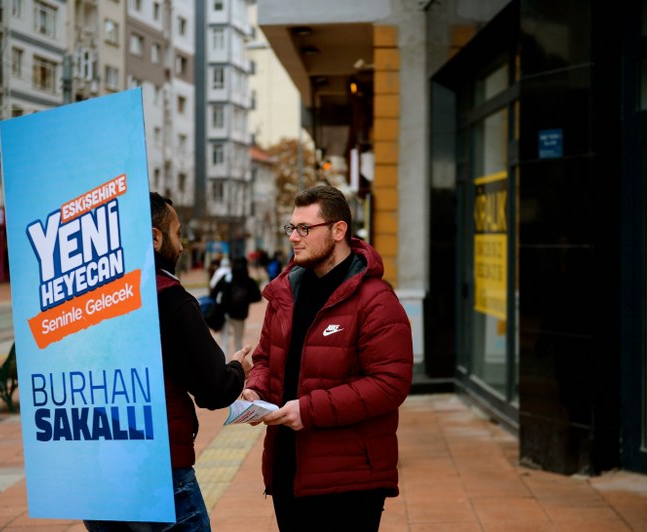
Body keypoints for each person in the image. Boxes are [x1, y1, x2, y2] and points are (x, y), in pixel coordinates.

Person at [242, 185, 413, 531]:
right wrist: (256, 392)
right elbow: (264, 357)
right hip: (287, 467)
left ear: (338, 231)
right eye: (291, 227)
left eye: (305, 228)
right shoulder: (285, 291)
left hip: (349, 477)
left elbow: (390, 384)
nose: (294, 237)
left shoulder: (376, 299)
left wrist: (309, 409)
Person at [84, 193, 253, 532]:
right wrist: (238, 369)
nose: (182, 245)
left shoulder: (90, 300)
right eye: (177, 234)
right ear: (155, 238)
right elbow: (213, 389)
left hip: (98, 473)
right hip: (159, 468)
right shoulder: (171, 299)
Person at [214, 256, 262, 357]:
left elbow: (214, 291)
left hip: (225, 313)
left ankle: (224, 365)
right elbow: (257, 297)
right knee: (238, 341)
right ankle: (238, 364)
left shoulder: (228, 277)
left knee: (224, 341)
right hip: (241, 315)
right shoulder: (249, 280)